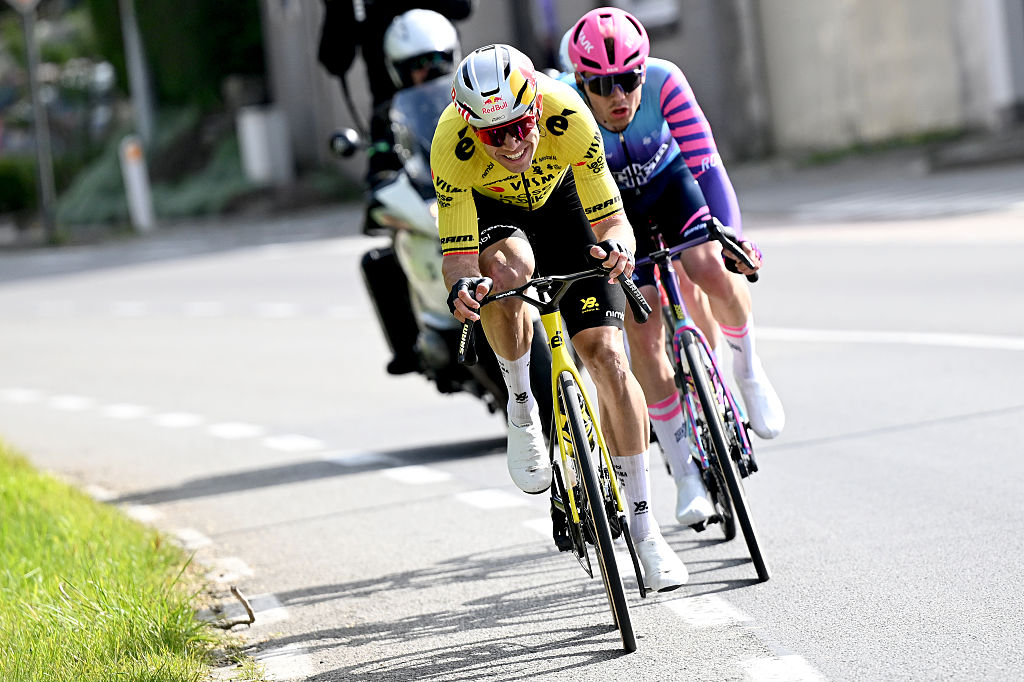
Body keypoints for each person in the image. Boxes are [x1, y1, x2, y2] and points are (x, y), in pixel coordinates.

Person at [432, 43, 688, 591]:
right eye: (492, 135)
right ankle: (522, 406)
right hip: (498, 218)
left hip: (565, 206)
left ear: (536, 109)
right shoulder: (450, 146)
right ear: (470, 128)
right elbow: (456, 257)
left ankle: (647, 532)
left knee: (610, 359)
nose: (510, 143)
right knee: (504, 273)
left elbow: (614, 221)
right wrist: (462, 288)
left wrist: (619, 251)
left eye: (520, 126)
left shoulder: (568, 114)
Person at [562, 7, 785, 527]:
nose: (618, 96)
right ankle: (685, 474)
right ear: (580, 82)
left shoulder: (665, 81)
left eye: (628, 79)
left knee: (708, 264)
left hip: (671, 187)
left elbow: (707, 163)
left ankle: (749, 372)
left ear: (644, 71)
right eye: (602, 84)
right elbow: (571, 200)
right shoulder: (567, 109)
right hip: (615, 214)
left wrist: (735, 237)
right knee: (643, 337)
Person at [317, 1, 473, 193]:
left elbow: (463, 8)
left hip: (452, 103)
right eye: (419, 65)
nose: (425, 69)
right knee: (384, 196)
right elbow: (335, 61)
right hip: (391, 122)